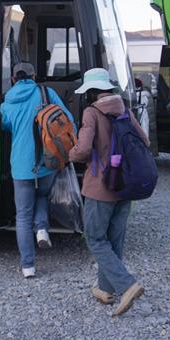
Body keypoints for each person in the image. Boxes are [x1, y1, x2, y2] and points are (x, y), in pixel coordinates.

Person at [69, 68, 148, 317]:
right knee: (114, 240)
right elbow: (145, 141)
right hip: (126, 186)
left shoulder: (91, 112)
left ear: (91, 92)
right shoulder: (125, 110)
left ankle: (127, 285)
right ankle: (106, 289)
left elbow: (83, 150)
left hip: (100, 187)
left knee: (94, 238)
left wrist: (70, 154)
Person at [0, 62, 75, 278]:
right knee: (42, 194)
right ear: (34, 76)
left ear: (13, 79)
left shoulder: (7, 102)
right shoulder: (46, 93)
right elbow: (68, 120)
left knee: (23, 216)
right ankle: (42, 228)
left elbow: (5, 126)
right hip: (47, 160)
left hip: (21, 165)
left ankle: (28, 267)